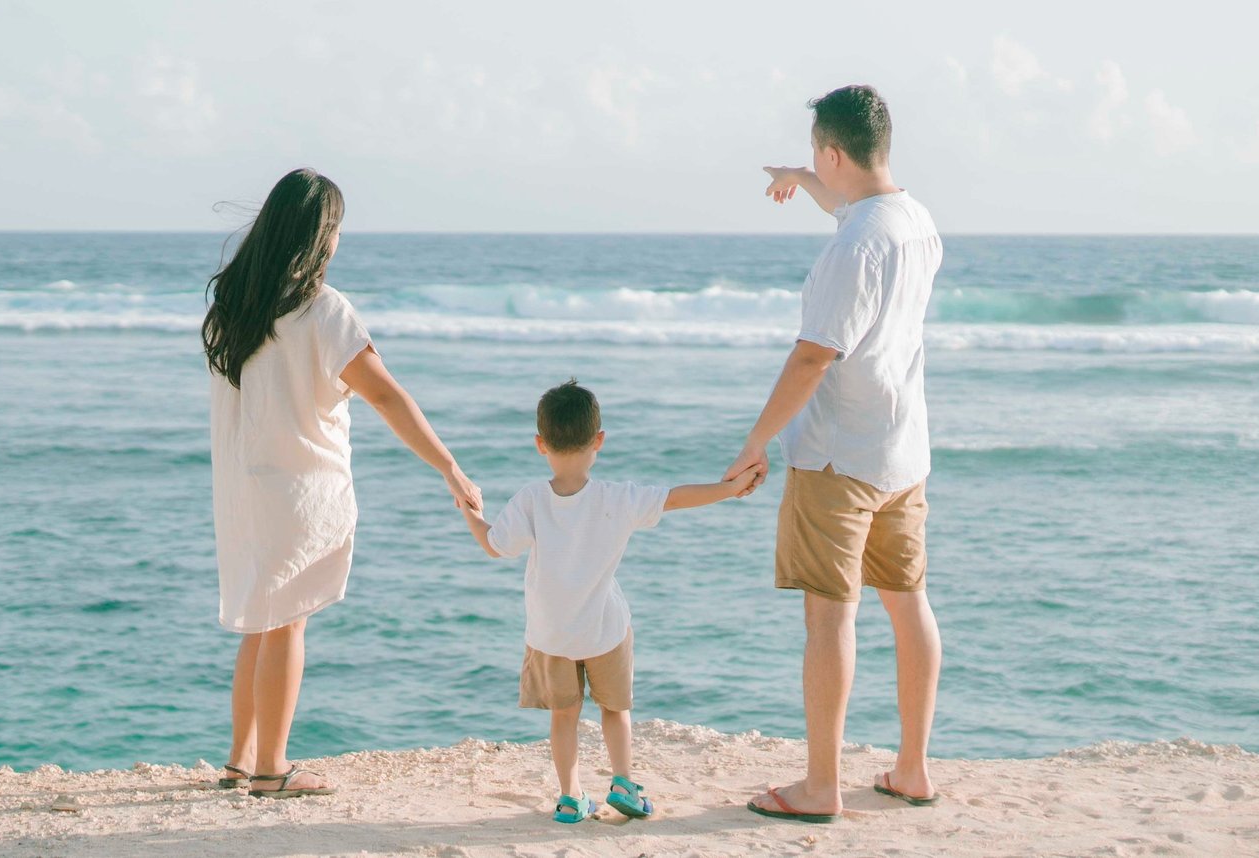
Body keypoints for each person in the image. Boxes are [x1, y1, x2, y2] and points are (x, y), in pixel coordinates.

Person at [204, 167, 482, 799]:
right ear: (320, 236)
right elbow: (387, 396)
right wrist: (449, 465)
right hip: (301, 490)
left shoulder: (235, 309)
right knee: (286, 624)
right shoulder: (323, 310)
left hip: (244, 491)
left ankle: (240, 761)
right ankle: (273, 769)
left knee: (262, 620)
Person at [725, 85, 945, 824]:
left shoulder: (852, 247)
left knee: (830, 618)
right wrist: (804, 177)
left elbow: (814, 357)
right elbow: (851, 205)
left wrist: (755, 443)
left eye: (820, 158)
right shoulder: (913, 220)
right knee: (907, 603)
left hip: (836, 457)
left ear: (833, 149)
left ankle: (822, 787)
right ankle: (911, 769)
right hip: (900, 451)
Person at [460, 379, 763, 824]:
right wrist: (731, 488)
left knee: (564, 716)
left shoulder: (530, 499)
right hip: (604, 629)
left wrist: (470, 510)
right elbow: (676, 497)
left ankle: (570, 797)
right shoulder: (618, 498)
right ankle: (622, 782)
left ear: (540, 444)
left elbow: (494, 545)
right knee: (616, 710)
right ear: (598, 440)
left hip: (551, 635)